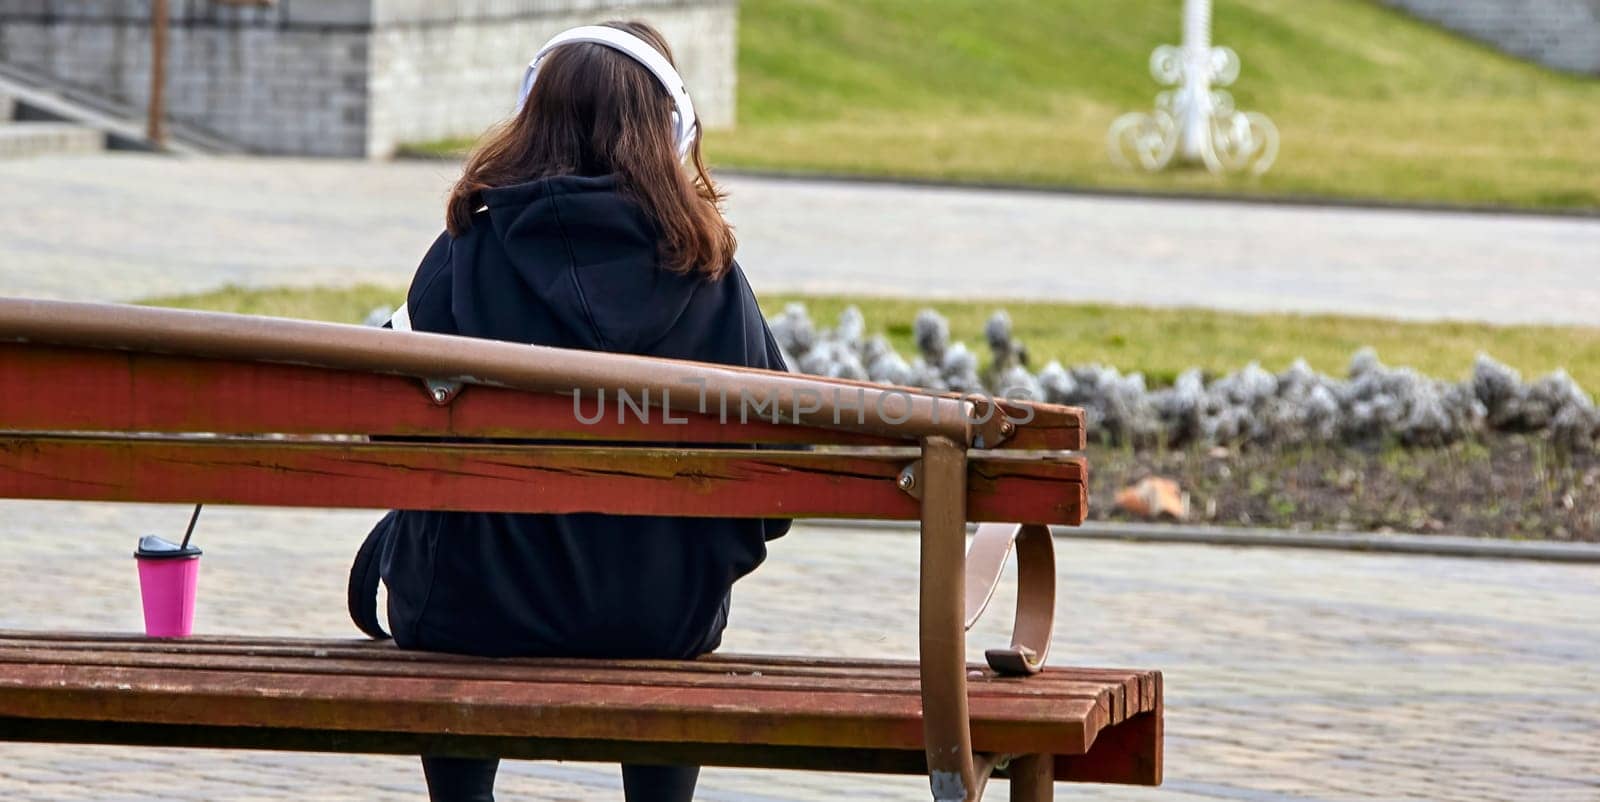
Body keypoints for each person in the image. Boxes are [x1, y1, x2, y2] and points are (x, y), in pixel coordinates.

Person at [358, 20, 790, 802]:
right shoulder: (712, 275)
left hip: (472, 614)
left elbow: (393, 434)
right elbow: (777, 489)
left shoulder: (465, 251)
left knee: (447, 547)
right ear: (674, 129)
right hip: (660, 621)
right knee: (657, 584)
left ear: (532, 117)